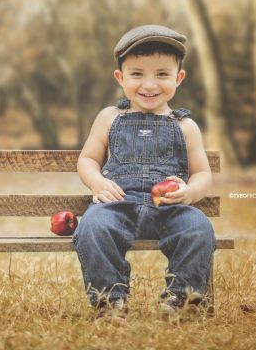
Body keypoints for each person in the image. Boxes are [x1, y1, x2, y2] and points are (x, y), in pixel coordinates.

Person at [72, 24, 216, 321]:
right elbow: (87, 159)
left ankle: (182, 299)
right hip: (117, 203)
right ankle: (109, 301)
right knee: (91, 227)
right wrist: (97, 182)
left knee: (199, 228)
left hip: (170, 208)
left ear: (179, 78)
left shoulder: (185, 126)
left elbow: (202, 173)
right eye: (137, 74)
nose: (149, 85)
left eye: (161, 74)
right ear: (120, 77)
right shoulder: (110, 117)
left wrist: (189, 192)